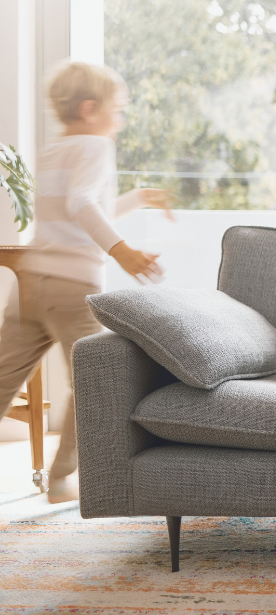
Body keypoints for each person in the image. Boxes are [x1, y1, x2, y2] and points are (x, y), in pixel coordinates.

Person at [0, 61, 171, 504]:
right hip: (72, 287)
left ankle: (59, 478)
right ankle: (60, 479)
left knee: (3, 378)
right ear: (91, 108)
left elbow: (82, 209)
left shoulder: (54, 149)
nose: (122, 118)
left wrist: (138, 197)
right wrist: (123, 251)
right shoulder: (95, 147)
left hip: (32, 282)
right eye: (120, 109)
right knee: (91, 380)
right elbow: (83, 204)